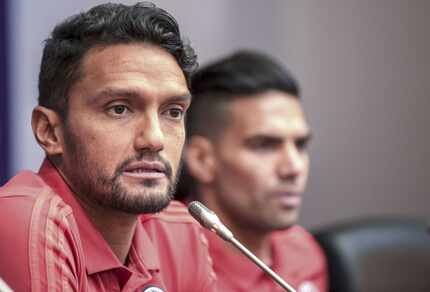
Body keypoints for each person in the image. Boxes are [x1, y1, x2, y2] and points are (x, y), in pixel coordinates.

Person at [0, 2, 216, 291]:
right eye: (119, 109)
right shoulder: (24, 221)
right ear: (49, 131)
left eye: (173, 112)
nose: (154, 139)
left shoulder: (179, 232)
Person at [177, 50, 328, 292]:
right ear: (202, 159)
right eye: (264, 146)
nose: (294, 167)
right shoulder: (163, 258)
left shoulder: (303, 251)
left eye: (300, 145)